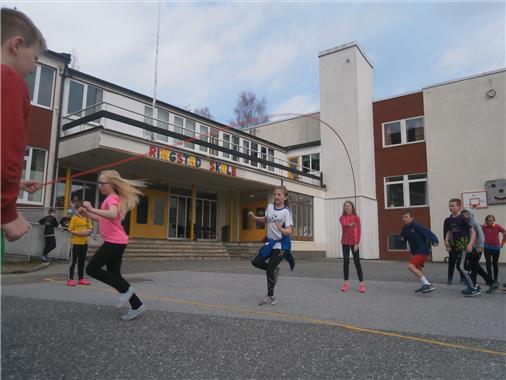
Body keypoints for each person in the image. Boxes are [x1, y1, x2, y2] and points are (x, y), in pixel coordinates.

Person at [1, 8, 46, 257]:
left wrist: (15, 183)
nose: (34, 65)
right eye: (36, 57)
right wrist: (7, 211)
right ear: (17, 45)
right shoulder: (8, 78)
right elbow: (5, 150)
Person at [81, 170, 146, 320]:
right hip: (117, 241)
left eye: (102, 183)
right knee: (115, 275)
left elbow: (111, 214)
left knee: (91, 268)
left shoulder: (112, 199)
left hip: (114, 242)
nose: (100, 186)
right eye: (99, 183)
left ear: (112, 184)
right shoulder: (111, 198)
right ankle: (137, 305)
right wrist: (88, 214)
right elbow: (104, 219)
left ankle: (126, 289)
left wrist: (91, 208)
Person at [250, 186, 295, 306]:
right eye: (275, 194)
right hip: (270, 243)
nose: (276, 197)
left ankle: (270, 296)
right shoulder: (270, 207)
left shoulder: (286, 211)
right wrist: (254, 218)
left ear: (285, 197)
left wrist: (281, 228)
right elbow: (266, 219)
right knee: (255, 261)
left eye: (279, 195)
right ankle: (274, 270)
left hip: (282, 245)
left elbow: (290, 230)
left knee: (269, 269)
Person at [444, 198, 477, 296]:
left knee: (461, 266)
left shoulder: (463, 218)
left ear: (459, 207)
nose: (450, 207)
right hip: (457, 246)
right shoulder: (450, 219)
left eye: (453, 206)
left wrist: (470, 243)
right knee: (461, 266)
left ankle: (473, 287)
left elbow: (472, 231)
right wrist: (446, 241)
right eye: (449, 206)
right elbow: (449, 231)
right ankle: (472, 285)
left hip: (464, 245)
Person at [460, 208, 499, 294]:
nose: (464, 216)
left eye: (467, 214)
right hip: (469, 249)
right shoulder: (463, 224)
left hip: (477, 248)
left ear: (471, 215)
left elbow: (481, 236)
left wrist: (479, 248)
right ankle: (491, 283)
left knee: (472, 267)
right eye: (463, 214)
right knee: (475, 267)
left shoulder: (474, 224)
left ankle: (473, 286)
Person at [400, 210, 439, 293]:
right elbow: (403, 238)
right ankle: (424, 285)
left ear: (411, 218)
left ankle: (428, 284)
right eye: (403, 217)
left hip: (423, 250)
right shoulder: (405, 228)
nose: (404, 219)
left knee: (411, 266)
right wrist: (402, 239)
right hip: (415, 251)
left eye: (406, 217)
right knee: (418, 269)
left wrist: (435, 241)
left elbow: (428, 233)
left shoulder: (417, 226)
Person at [339, 200, 365, 293]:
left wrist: (357, 243)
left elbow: (359, 231)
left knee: (356, 262)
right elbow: (344, 225)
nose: (347, 207)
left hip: (354, 242)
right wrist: (350, 225)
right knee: (346, 261)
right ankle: (346, 283)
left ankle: (361, 284)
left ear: (352, 207)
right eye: (345, 206)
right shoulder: (342, 217)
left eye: (348, 206)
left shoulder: (356, 218)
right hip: (345, 242)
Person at [67, 200, 93, 286]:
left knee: (82, 262)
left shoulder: (87, 218)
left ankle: (81, 278)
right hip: (75, 243)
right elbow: (70, 229)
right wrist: (78, 233)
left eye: (84, 208)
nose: (83, 209)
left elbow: (90, 229)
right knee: (73, 262)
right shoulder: (74, 218)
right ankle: (70, 279)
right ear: (78, 209)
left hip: (84, 243)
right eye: (81, 208)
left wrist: (86, 232)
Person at [482, 215, 505, 286]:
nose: (490, 222)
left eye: (491, 220)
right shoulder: (483, 227)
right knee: (488, 264)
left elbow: (505, 233)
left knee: (495, 264)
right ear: (486, 221)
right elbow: (476, 229)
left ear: (494, 221)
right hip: (487, 248)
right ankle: (489, 280)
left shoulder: (497, 226)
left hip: (496, 248)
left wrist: (502, 243)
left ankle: (495, 280)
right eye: (488, 220)